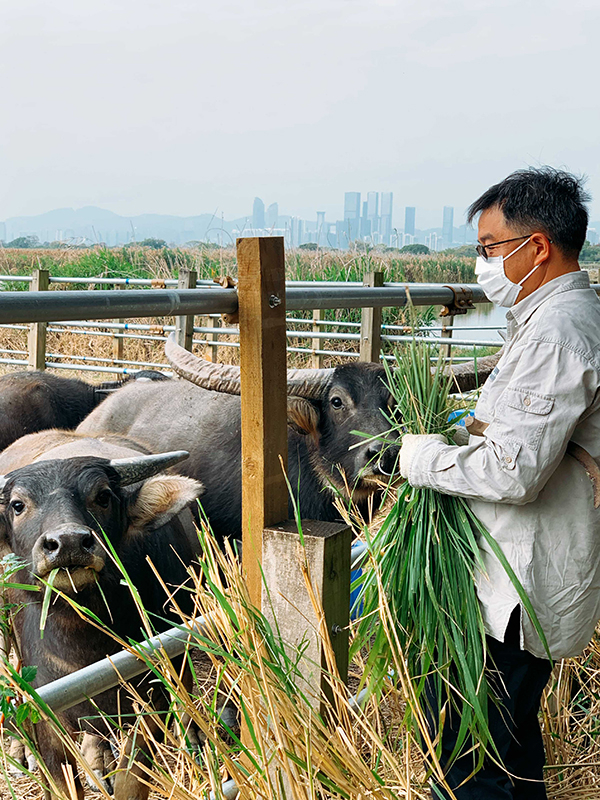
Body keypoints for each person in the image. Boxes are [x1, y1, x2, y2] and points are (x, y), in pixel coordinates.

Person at [399, 167, 600, 799]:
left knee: (470, 754)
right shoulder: (553, 321)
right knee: (510, 746)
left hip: (517, 586)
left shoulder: (557, 334)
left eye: (490, 249)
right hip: (518, 574)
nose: (483, 263)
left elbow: (514, 472)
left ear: (537, 247)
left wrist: (417, 456)